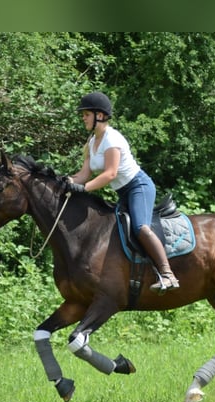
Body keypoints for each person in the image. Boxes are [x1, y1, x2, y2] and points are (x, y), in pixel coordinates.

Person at [68, 91, 180, 294]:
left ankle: (168, 274)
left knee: (140, 228)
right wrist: (66, 182)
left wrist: (83, 189)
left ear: (99, 115)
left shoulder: (112, 139)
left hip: (139, 187)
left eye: (86, 114)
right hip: (123, 192)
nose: (82, 117)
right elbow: (84, 174)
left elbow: (110, 174)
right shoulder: (92, 142)